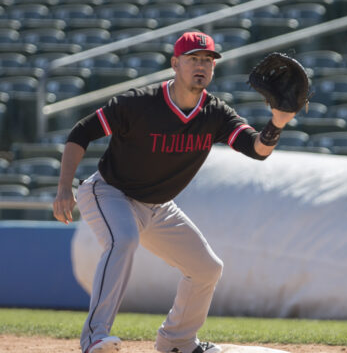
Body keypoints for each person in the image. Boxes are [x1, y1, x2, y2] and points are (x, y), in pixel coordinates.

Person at [52, 31, 297, 353]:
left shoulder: (215, 113)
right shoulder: (139, 103)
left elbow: (256, 149)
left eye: (207, 60)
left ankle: (177, 342)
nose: (201, 65)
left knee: (207, 269)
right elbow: (81, 132)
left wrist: (277, 124)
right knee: (123, 240)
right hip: (110, 192)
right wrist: (63, 188)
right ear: (175, 64)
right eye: (193, 59)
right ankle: (95, 337)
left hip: (158, 206)